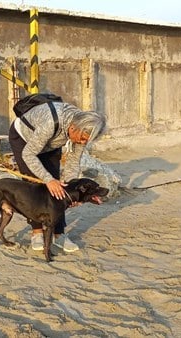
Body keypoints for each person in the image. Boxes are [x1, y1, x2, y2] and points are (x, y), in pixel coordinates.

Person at [8, 97, 107, 253]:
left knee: (58, 190)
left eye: (86, 141)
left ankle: (59, 233)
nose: (82, 143)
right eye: (82, 139)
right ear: (74, 128)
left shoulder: (81, 133)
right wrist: (48, 180)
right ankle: (37, 232)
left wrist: (71, 193)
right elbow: (29, 154)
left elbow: (73, 163)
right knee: (34, 187)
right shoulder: (50, 122)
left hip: (51, 143)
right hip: (24, 139)